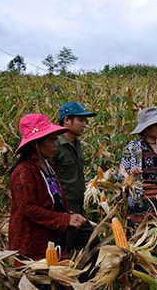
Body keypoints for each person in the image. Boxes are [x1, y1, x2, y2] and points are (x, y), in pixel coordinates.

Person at [8, 114, 87, 264]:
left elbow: (55, 200)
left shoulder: (49, 166)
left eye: (56, 139)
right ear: (35, 144)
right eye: (51, 140)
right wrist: (64, 219)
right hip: (32, 244)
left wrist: (70, 214)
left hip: (52, 241)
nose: (55, 145)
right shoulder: (24, 172)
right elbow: (28, 208)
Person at [120, 107, 157, 226]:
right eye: (154, 125)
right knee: (140, 238)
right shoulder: (133, 148)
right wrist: (131, 174)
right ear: (145, 128)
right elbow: (121, 176)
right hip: (140, 203)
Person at [53, 101, 97, 252]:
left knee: (94, 247)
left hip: (78, 209)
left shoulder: (77, 144)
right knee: (62, 253)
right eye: (80, 120)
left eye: (85, 121)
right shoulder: (55, 145)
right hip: (63, 211)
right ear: (66, 120)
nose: (84, 125)